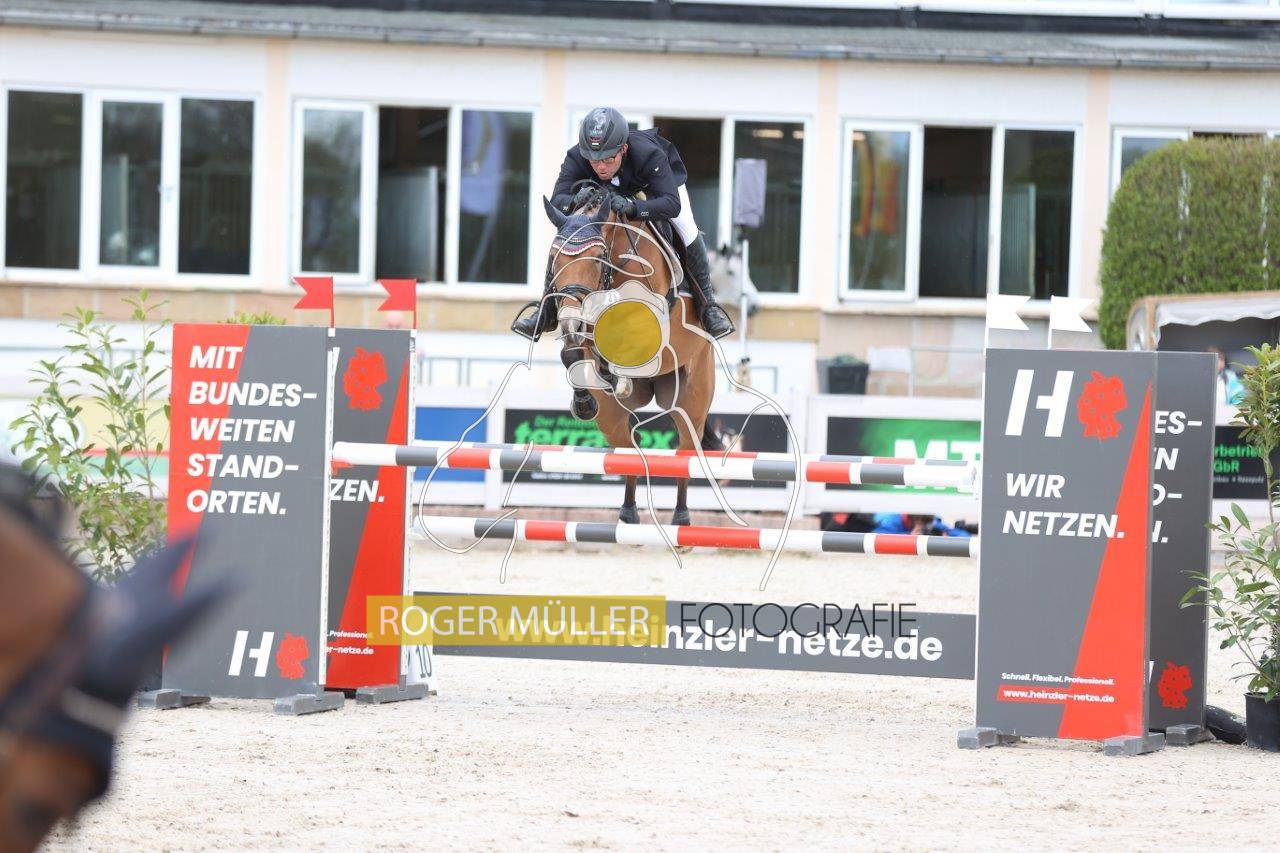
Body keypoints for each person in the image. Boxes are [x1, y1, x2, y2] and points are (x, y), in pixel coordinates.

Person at [512, 106, 735, 341]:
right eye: (593, 160)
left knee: (686, 227)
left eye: (608, 158)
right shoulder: (577, 156)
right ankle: (546, 310)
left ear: (623, 149)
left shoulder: (649, 154)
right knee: (566, 233)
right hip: (607, 194)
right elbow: (558, 200)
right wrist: (574, 200)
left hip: (655, 187)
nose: (601, 167)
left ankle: (708, 307)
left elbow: (671, 204)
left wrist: (633, 207)